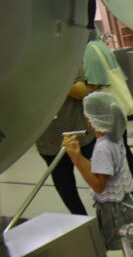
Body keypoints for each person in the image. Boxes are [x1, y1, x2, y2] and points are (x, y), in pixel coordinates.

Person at [62, 92, 133, 250]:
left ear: (89, 120)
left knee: (129, 246)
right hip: (124, 201)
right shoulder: (114, 137)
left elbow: (98, 185)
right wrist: (77, 155)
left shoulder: (102, 148)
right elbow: (100, 169)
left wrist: (75, 159)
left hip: (113, 208)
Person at [84, 37, 133, 204]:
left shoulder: (90, 49)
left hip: (108, 111)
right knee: (122, 150)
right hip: (116, 108)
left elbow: (95, 82)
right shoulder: (100, 46)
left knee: (116, 151)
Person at [35, 68, 97, 215]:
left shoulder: (66, 63)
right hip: (49, 142)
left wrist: (51, 76)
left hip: (81, 136)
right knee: (65, 188)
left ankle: (114, 218)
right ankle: (82, 222)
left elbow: (80, 91)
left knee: (102, 178)